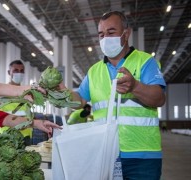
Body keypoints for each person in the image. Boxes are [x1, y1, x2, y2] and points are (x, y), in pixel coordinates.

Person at [59, 11, 166, 179]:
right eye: (101, 35)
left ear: (126, 33)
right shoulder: (94, 71)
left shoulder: (145, 62)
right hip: (106, 152)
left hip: (142, 155)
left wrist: (135, 86)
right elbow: (79, 100)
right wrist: (61, 94)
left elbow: (159, 98)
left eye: (111, 32)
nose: (105, 39)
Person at [0, 60, 33, 145]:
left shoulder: (27, 92)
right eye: (16, 70)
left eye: (21, 71)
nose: (19, 73)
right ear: (9, 72)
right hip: (7, 136)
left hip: (26, 135)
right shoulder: (1, 92)